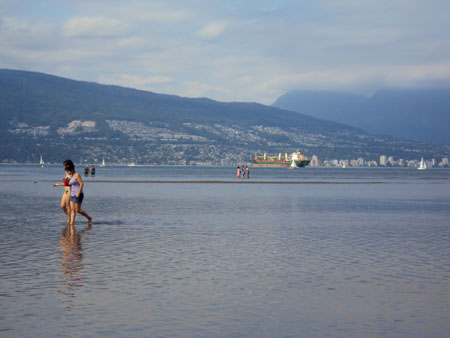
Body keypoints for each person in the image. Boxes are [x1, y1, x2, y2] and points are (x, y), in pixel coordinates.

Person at [64, 160, 92, 226]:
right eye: (67, 171)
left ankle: (89, 217)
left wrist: (78, 193)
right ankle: (71, 224)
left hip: (78, 194)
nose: (67, 172)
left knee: (78, 210)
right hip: (72, 194)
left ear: (71, 169)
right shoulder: (70, 176)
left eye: (68, 171)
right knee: (72, 210)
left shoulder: (76, 175)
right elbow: (69, 184)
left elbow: (81, 184)